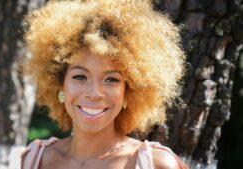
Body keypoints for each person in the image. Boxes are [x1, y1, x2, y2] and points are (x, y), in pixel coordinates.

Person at [21, 0, 188, 168]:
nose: (94, 93)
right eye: (80, 77)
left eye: (111, 80)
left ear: (127, 92)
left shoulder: (157, 164)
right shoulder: (33, 159)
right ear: (60, 85)